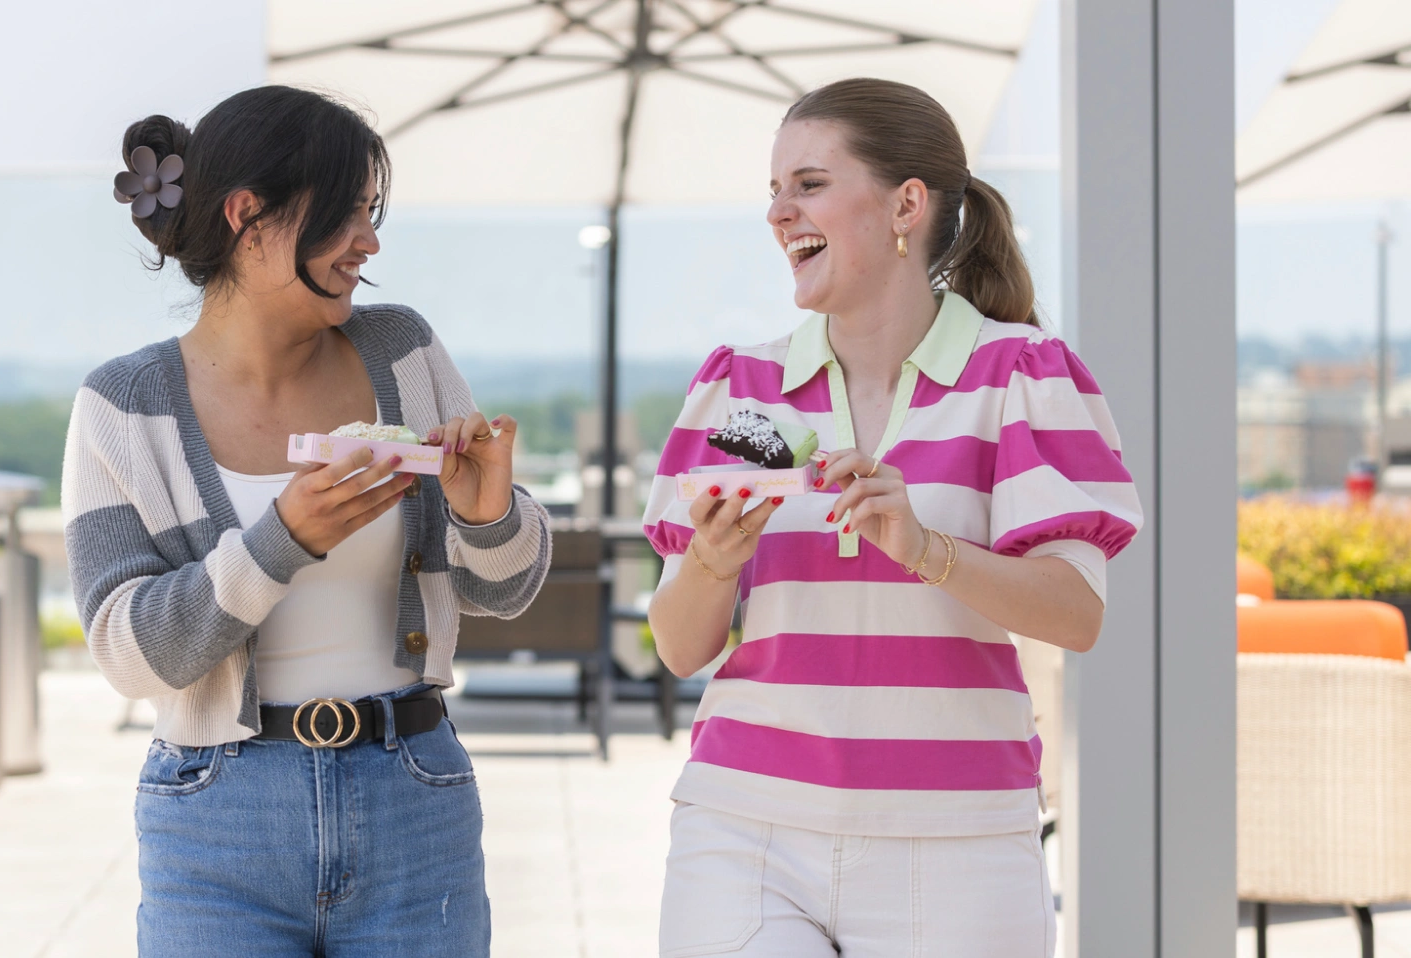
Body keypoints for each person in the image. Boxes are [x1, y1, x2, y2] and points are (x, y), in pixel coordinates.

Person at [641, 78, 1143, 957]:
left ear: (906, 203)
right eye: (773, 190)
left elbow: (1077, 613)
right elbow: (683, 649)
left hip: (958, 844)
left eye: (808, 184)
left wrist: (925, 547)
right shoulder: (736, 388)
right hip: (742, 826)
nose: (778, 212)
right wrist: (715, 565)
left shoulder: (1023, 375)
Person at [63, 85, 552, 957]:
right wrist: (280, 541)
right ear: (249, 216)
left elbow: (506, 589)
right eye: (347, 214)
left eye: (372, 211)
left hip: (413, 795)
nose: (370, 241)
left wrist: (488, 514)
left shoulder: (402, 350)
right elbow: (127, 655)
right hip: (217, 819)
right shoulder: (122, 406)